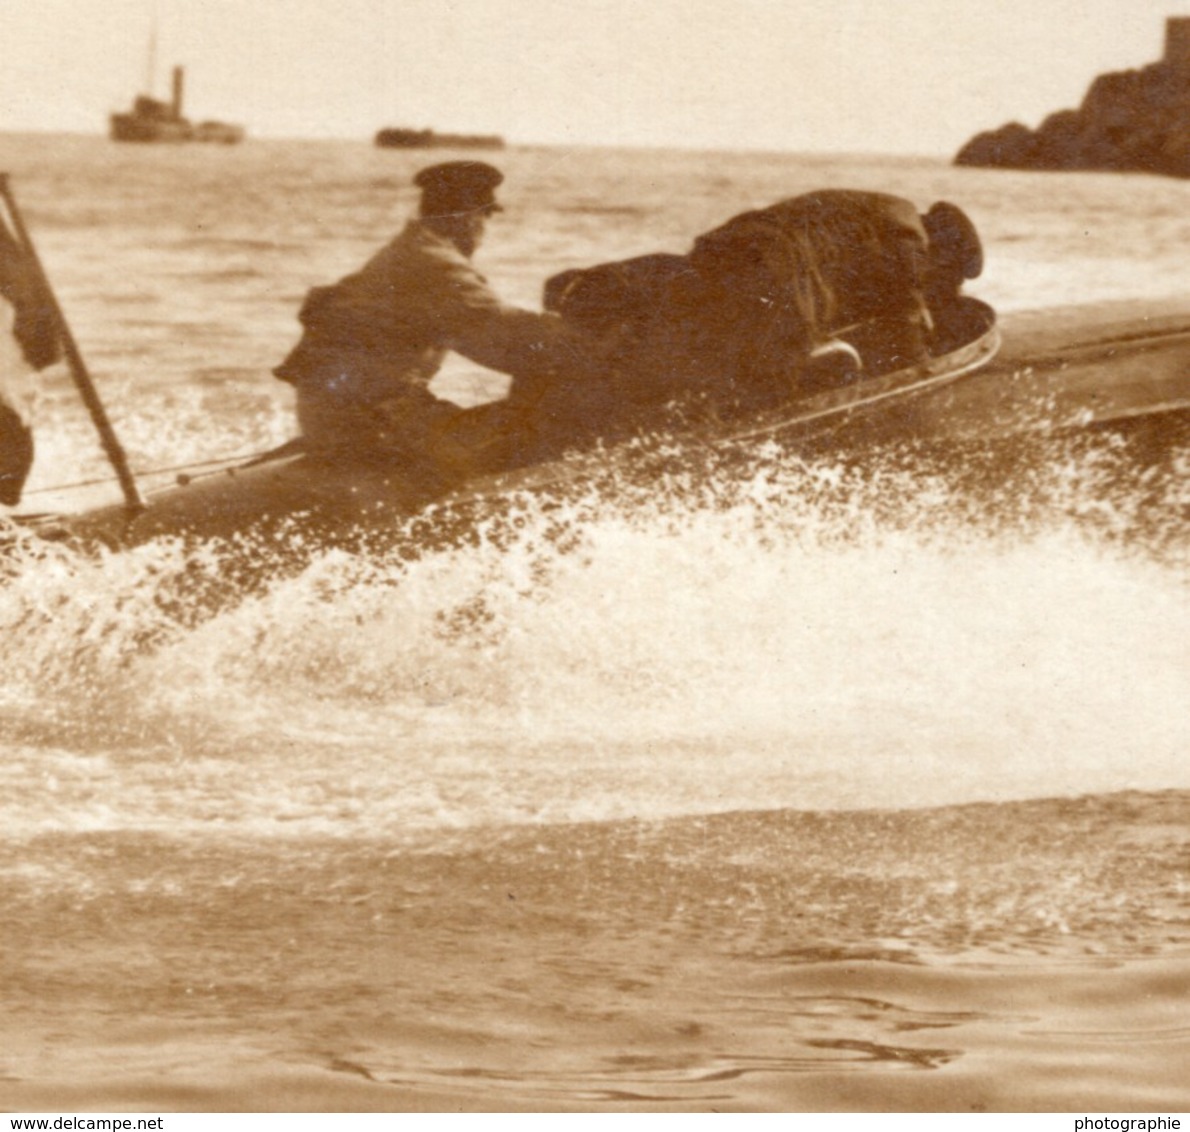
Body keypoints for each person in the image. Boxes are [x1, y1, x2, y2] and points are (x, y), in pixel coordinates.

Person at [273, 160, 603, 479]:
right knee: (528, 437)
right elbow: (507, 339)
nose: (483, 232)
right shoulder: (434, 264)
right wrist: (597, 341)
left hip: (341, 413)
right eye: (485, 217)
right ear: (470, 217)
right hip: (366, 420)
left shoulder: (408, 251)